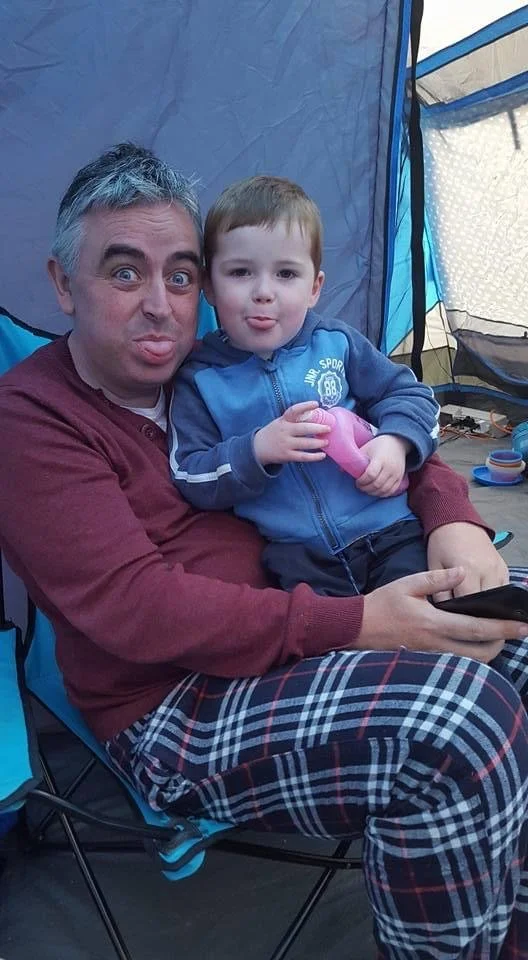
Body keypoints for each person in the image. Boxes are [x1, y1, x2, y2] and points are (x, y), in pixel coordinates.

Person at [0, 142, 527, 959]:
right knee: (457, 725)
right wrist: (362, 623)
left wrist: (451, 514)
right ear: (64, 284)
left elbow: (372, 425)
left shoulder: (213, 373)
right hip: (178, 708)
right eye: (124, 272)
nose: (159, 306)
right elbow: (140, 611)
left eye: (179, 275)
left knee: (515, 620)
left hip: (304, 629)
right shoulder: (31, 423)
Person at [168, 175, 440, 596]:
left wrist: (395, 443)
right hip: (298, 557)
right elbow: (190, 474)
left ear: (314, 287)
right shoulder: (198, 379)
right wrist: (257, 449)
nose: (263, 292)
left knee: (430, 626)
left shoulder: (337, 344)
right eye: (240, 272)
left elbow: (410, 394)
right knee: (340, 646)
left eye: (286, 274)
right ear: (209, 285)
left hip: (391, 530)